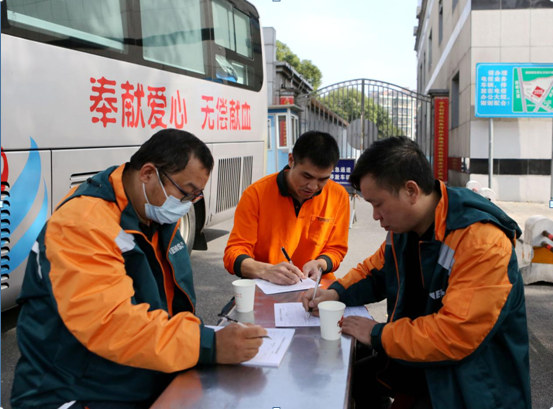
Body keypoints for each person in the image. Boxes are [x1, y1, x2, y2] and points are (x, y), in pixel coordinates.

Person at [11, 129, 267, 409]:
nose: (186, 205)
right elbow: (111, 324)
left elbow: (171, 305)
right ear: (147, 173)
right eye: (185, 193)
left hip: (138, 374)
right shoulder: (82, 224)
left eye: (195, 196)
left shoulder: (154, 213)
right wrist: (208, 344)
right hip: (76, 391)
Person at [302, 136, 531, 409]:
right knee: (353, 379)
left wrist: (378, 334)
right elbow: (374, 272)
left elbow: (455, 334)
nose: (375, 216)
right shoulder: (404, 228)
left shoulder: (481, 242)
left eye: (378, 204)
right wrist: (333, 293)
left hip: (473, 385)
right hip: (424, 361)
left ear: (411, 190)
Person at [223, 131, 350, 285]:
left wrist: (320, 264)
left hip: (316, 286)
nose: (313, 186)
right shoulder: (256, 194)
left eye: (323, 179)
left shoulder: (338, 196)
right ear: (291, 160)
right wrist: (265, 270)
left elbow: (336, 249)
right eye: (307, 176)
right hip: (268, 285)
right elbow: (234, 253)